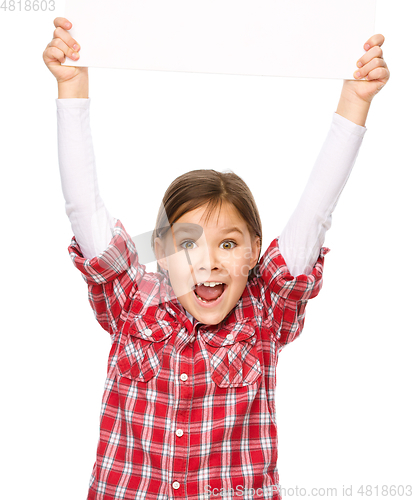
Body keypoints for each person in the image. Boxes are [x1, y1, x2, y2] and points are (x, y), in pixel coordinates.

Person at [43, 17, 390, 500]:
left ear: (254, 252)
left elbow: (315, 213)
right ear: (159, 252)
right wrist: (71, 86)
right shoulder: (131, 304)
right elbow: (83, 208)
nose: (207, 263)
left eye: (228, 244)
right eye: (187, 244)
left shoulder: (264, 314)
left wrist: (355, 101)